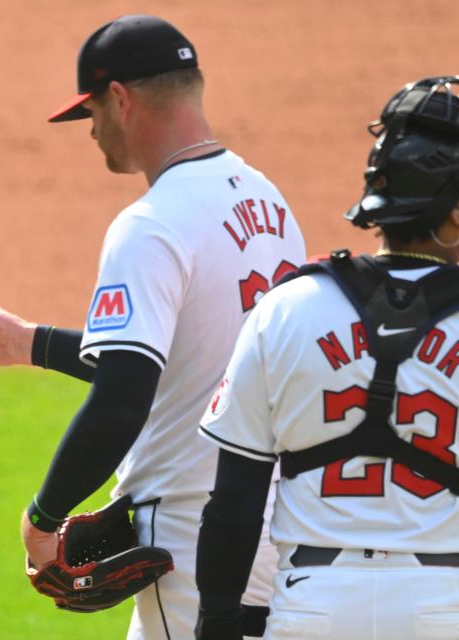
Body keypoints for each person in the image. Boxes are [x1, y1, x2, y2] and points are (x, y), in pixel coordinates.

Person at [0, 15, 306, 640]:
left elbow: (122, 397)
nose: (92, 132)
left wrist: (44, 515)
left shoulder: (151, 224)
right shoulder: (268, 203)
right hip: (279, 526)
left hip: (193, 540)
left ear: (120, 98)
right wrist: (31, 342)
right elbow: (188, 353)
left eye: (90, 114)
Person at [195, 75, 459, 640]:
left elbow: (233, 507)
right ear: (454, 212)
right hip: (444, 608)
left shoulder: (286, 307)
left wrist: (216, 624)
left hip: (313, 608)